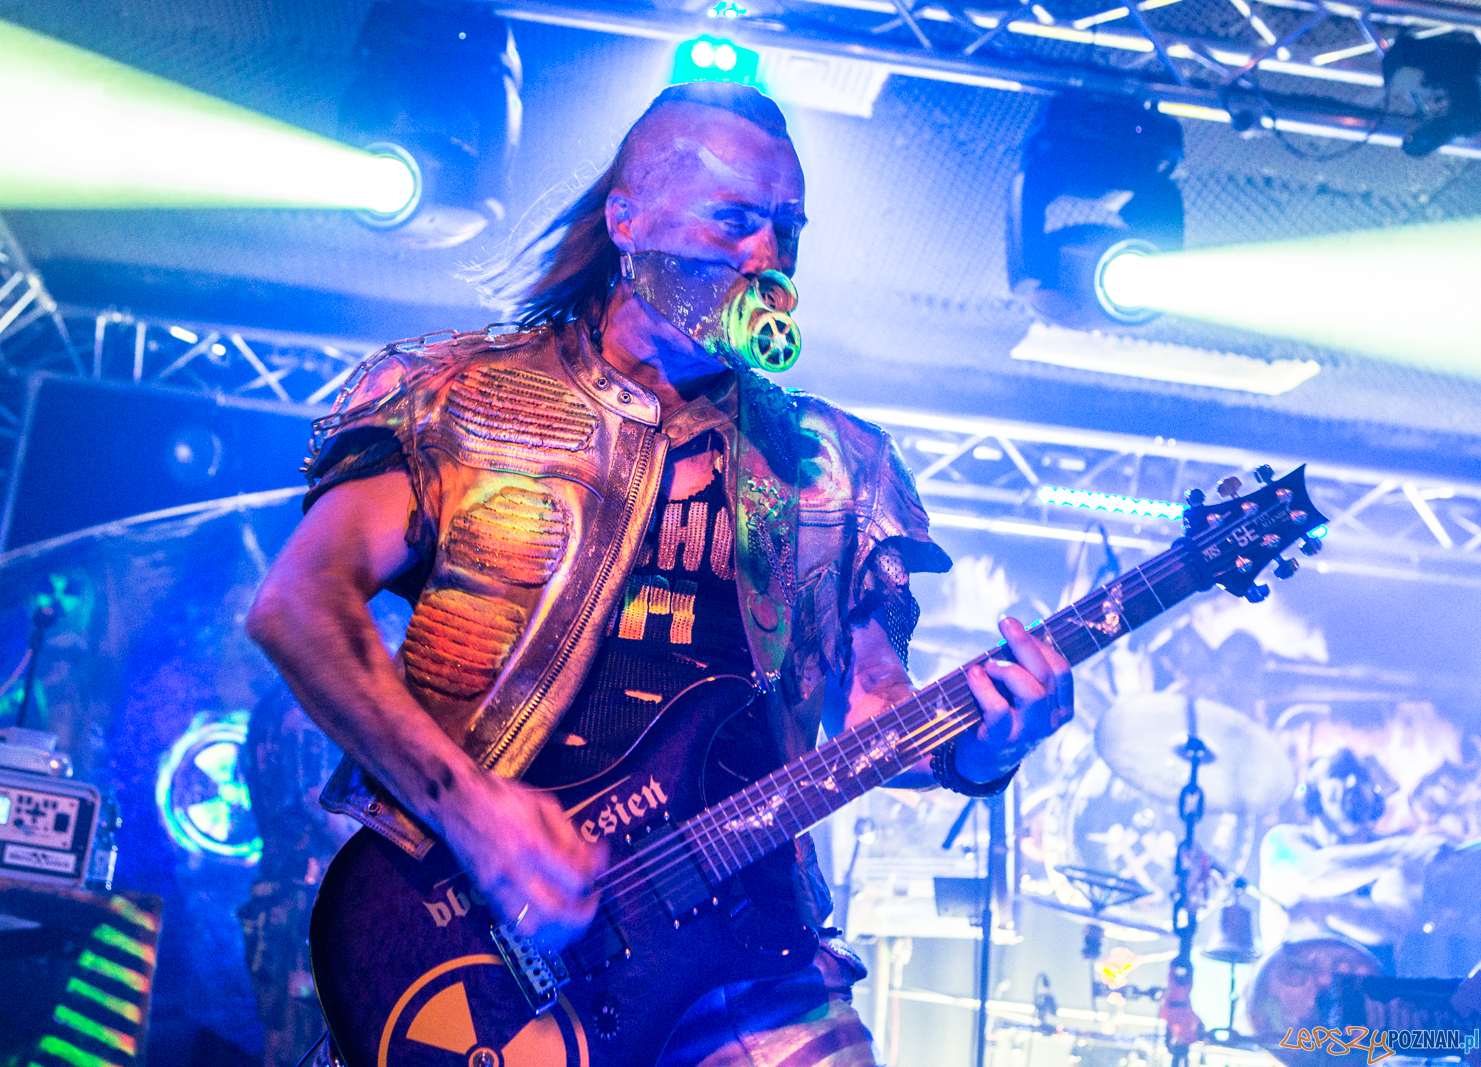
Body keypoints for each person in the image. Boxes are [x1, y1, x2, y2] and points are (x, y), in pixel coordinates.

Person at [247, 80, 1073, 1065]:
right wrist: (473, 810)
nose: (766, 257)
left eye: (787, 231)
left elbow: (871, 704)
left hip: (751, 949)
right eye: (734, 220)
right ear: (626, 219)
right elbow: (300, 604)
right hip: (485, 937)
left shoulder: (832, 466)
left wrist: (983, 743)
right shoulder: (459, 397)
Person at [1260, 748, 1448, 971]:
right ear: (1312, 794)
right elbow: (1311, 875)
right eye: (1338, 773)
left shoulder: (1394, 856)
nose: (1353, 783)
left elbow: (1394, 924)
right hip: (1290, 982)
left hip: (1367, 989)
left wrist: (1326, 911)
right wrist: (1404, 851)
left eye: (1362, 777)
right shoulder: (1281, 840)